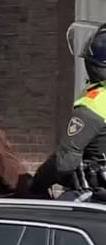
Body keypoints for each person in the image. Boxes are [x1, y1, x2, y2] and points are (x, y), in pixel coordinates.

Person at [34, 24, 106, 198]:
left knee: (53, 217)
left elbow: (65, 163)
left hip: (97, 197)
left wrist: (37, 182)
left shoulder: (95, 103)